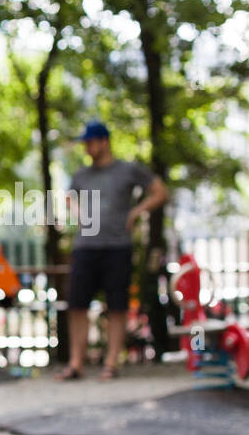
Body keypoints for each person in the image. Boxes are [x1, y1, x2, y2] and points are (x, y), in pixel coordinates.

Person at [59, 120, 170, 381]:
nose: (86, 147)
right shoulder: (81, 175)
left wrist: (135, 212)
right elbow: (68, 197)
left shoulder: (128, 170)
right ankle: (76, 363)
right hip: (85, 247)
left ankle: (111, 363)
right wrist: (77, 213)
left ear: (104, 141)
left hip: (117, 247)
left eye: (90, 142)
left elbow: (160, 192)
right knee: (77, 305)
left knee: (117, 305)